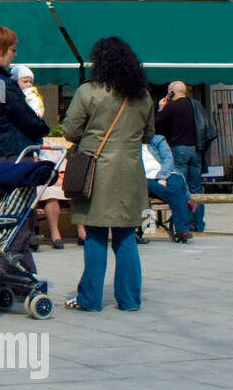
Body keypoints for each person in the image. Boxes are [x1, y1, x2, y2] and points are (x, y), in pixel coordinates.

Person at [62, 37, 156, 312]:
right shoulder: (143, 96)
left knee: (95, 235)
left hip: (96, 171)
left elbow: (70, 130)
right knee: (126, 236)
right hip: (130, 172)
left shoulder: (88, 92)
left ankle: (90, 299)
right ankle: (129, 299)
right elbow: (148, 135)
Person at [0, 26, 50, 272]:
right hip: (14, 157)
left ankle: (21, 280)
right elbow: (16, 116)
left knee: (3, 218)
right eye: (12, 50)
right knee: (19, 220)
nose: (15, 55)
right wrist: (41, 127)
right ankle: (2, 274)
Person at [155, 81, 205, 233]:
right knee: (196, 188)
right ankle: (198, 224)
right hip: (196, 149)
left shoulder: (171, 107)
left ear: (171, 92)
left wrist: (160, 109)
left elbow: (156, 125)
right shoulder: (196, 104)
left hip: (179, 149)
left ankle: (185, 224)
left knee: (181, 188)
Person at [144, 134, 197, 243]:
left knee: (177, 183)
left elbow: (168, 159)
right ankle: (183, 227)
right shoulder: (128, 144)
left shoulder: (157, 140)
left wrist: (162, 177)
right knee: (176, 193)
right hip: (145, 179)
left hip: (166, 174)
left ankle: (182, 231)